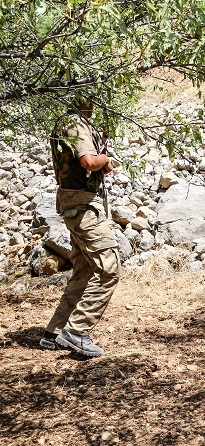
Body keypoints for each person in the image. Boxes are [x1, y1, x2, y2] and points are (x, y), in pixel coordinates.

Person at [40, 98, 120, 357]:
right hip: (83, 207)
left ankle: (54, 333)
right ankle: (76, 332)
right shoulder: (77, 124)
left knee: (84, 269)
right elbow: (88, 162)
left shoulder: (65, 122)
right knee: (109, 268)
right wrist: (105, 158)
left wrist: (101, 161)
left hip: (75, 204)